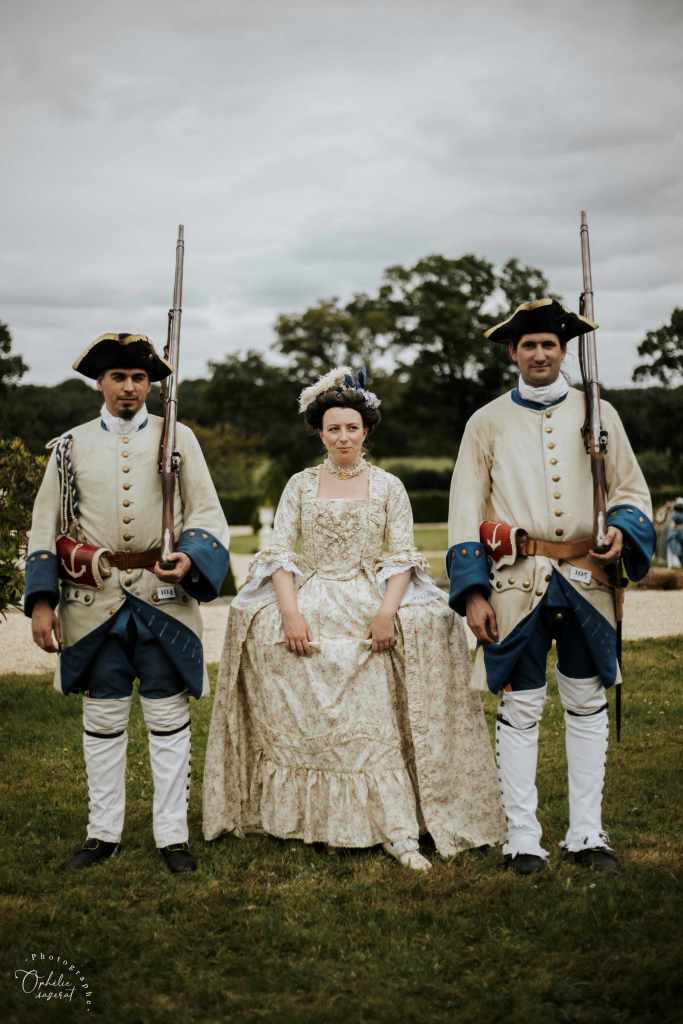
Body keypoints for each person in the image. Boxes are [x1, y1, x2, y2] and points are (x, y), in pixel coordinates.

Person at [203, 367, 504, 870]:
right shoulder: (299, 486)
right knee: (275, 645)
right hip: (314, 592)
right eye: (333, 428)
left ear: (366, 431)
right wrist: (291, 612)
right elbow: (279, 553)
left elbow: (403, 556)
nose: (343, 436)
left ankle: (396, 825)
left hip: (369, 594)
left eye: (352, 427)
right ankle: (308, 817)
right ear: (320, 433)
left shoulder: (388, 487)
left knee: (398, 669)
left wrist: (387, 611)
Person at [447, 299, 655, 874]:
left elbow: (632, 493)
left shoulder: (600, 414)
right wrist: (472, 592)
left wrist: (621, 529)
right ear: (513, 353)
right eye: (529, 345)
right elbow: (463, 510)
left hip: (586, 578)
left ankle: (587, 834)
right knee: (521, 707)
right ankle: (522, 838)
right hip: (516, 583)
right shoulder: (484, 422)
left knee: (587, 703)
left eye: (550, 345)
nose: (540, 354)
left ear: (564, 351)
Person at [25, 333, 229, 873]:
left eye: (140, 378)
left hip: (163, 599)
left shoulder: (178, 437)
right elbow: (44, 526)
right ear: (101, 383)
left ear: (151, 384)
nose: (130, 387)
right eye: (119, 377)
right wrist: (43, 603)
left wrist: (189, 558)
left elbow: (207, 514)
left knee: (167, 715)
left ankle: (171, 836)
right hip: (95, 602)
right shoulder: (67, 447)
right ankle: (102, 834)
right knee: (104, 715)